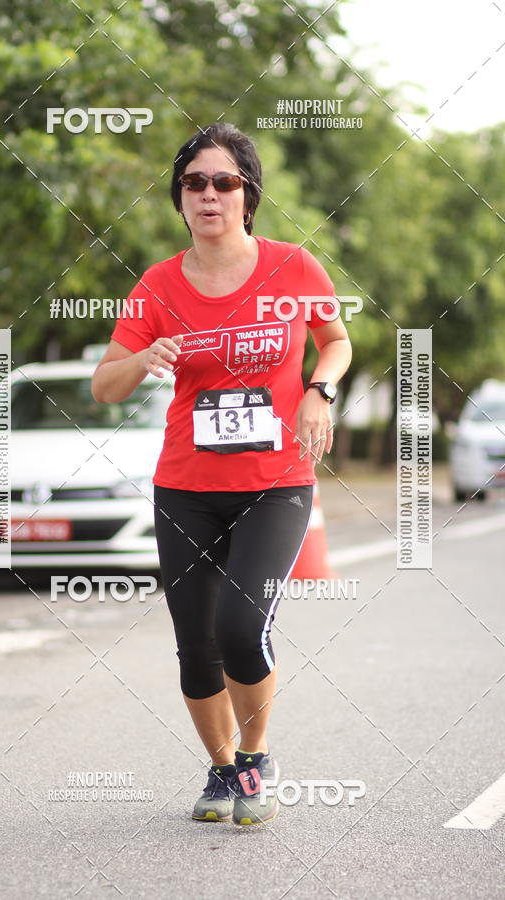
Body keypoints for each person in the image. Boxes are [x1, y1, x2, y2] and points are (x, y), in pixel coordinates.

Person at [91, 123, 352, 826]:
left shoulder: (292, 268)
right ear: (181, 197)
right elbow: (103, 386)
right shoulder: (158, 284)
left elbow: (335, 340)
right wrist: (140, 361)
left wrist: (320, 392)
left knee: (243, 625)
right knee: (196, 644)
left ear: (248, 194)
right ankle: (219, 769)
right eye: (195, 183)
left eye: (224, 182)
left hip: (276, 483)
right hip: (186, 487)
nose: (209, 194)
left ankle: (255, 758)